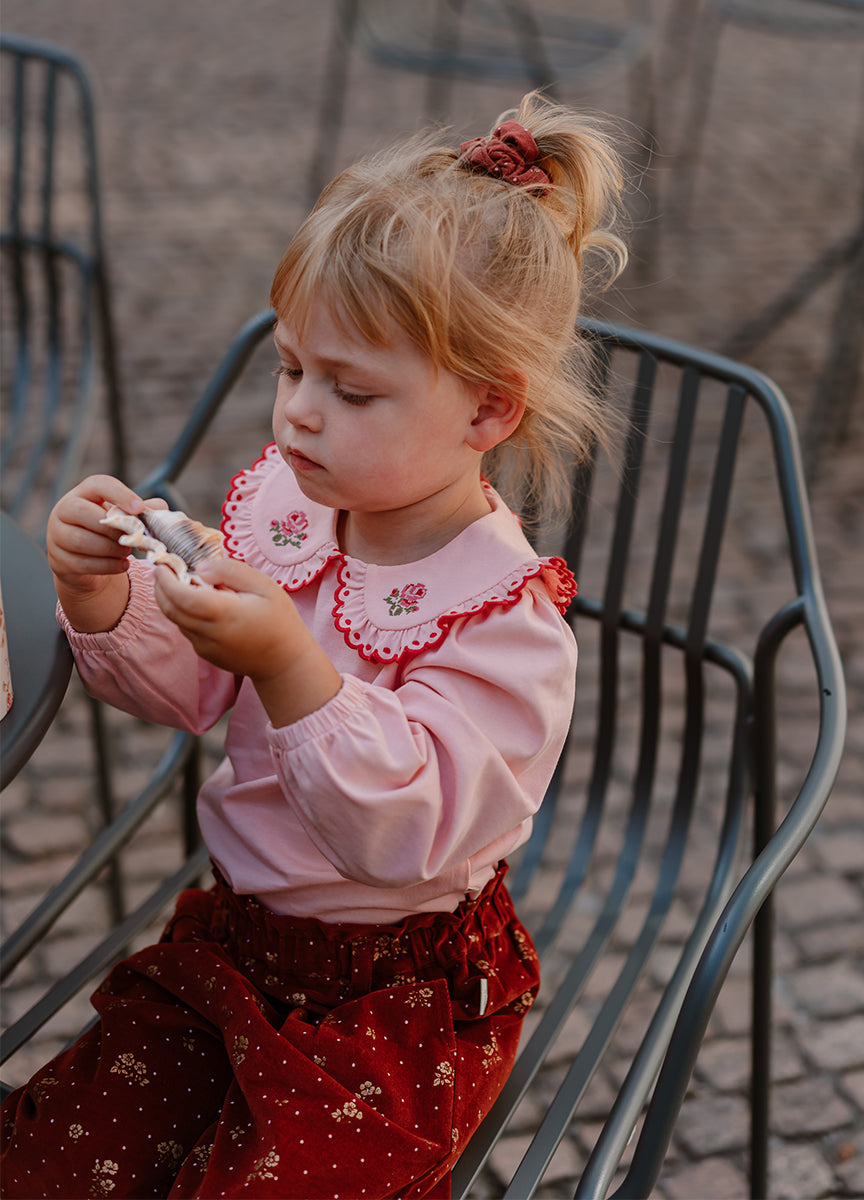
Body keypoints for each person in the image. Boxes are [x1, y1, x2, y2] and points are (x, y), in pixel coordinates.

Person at [1, 92, 627, 1199]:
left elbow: (410, 832)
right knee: (55, 1162)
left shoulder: (503, 617)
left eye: (351, 389)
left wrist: (290, 666)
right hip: (234, 946)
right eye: (292, 368)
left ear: (488, 413)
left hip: (396, 1005)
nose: (297, 412)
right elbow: (195, 689)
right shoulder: (296, 512)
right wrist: (101, 592)